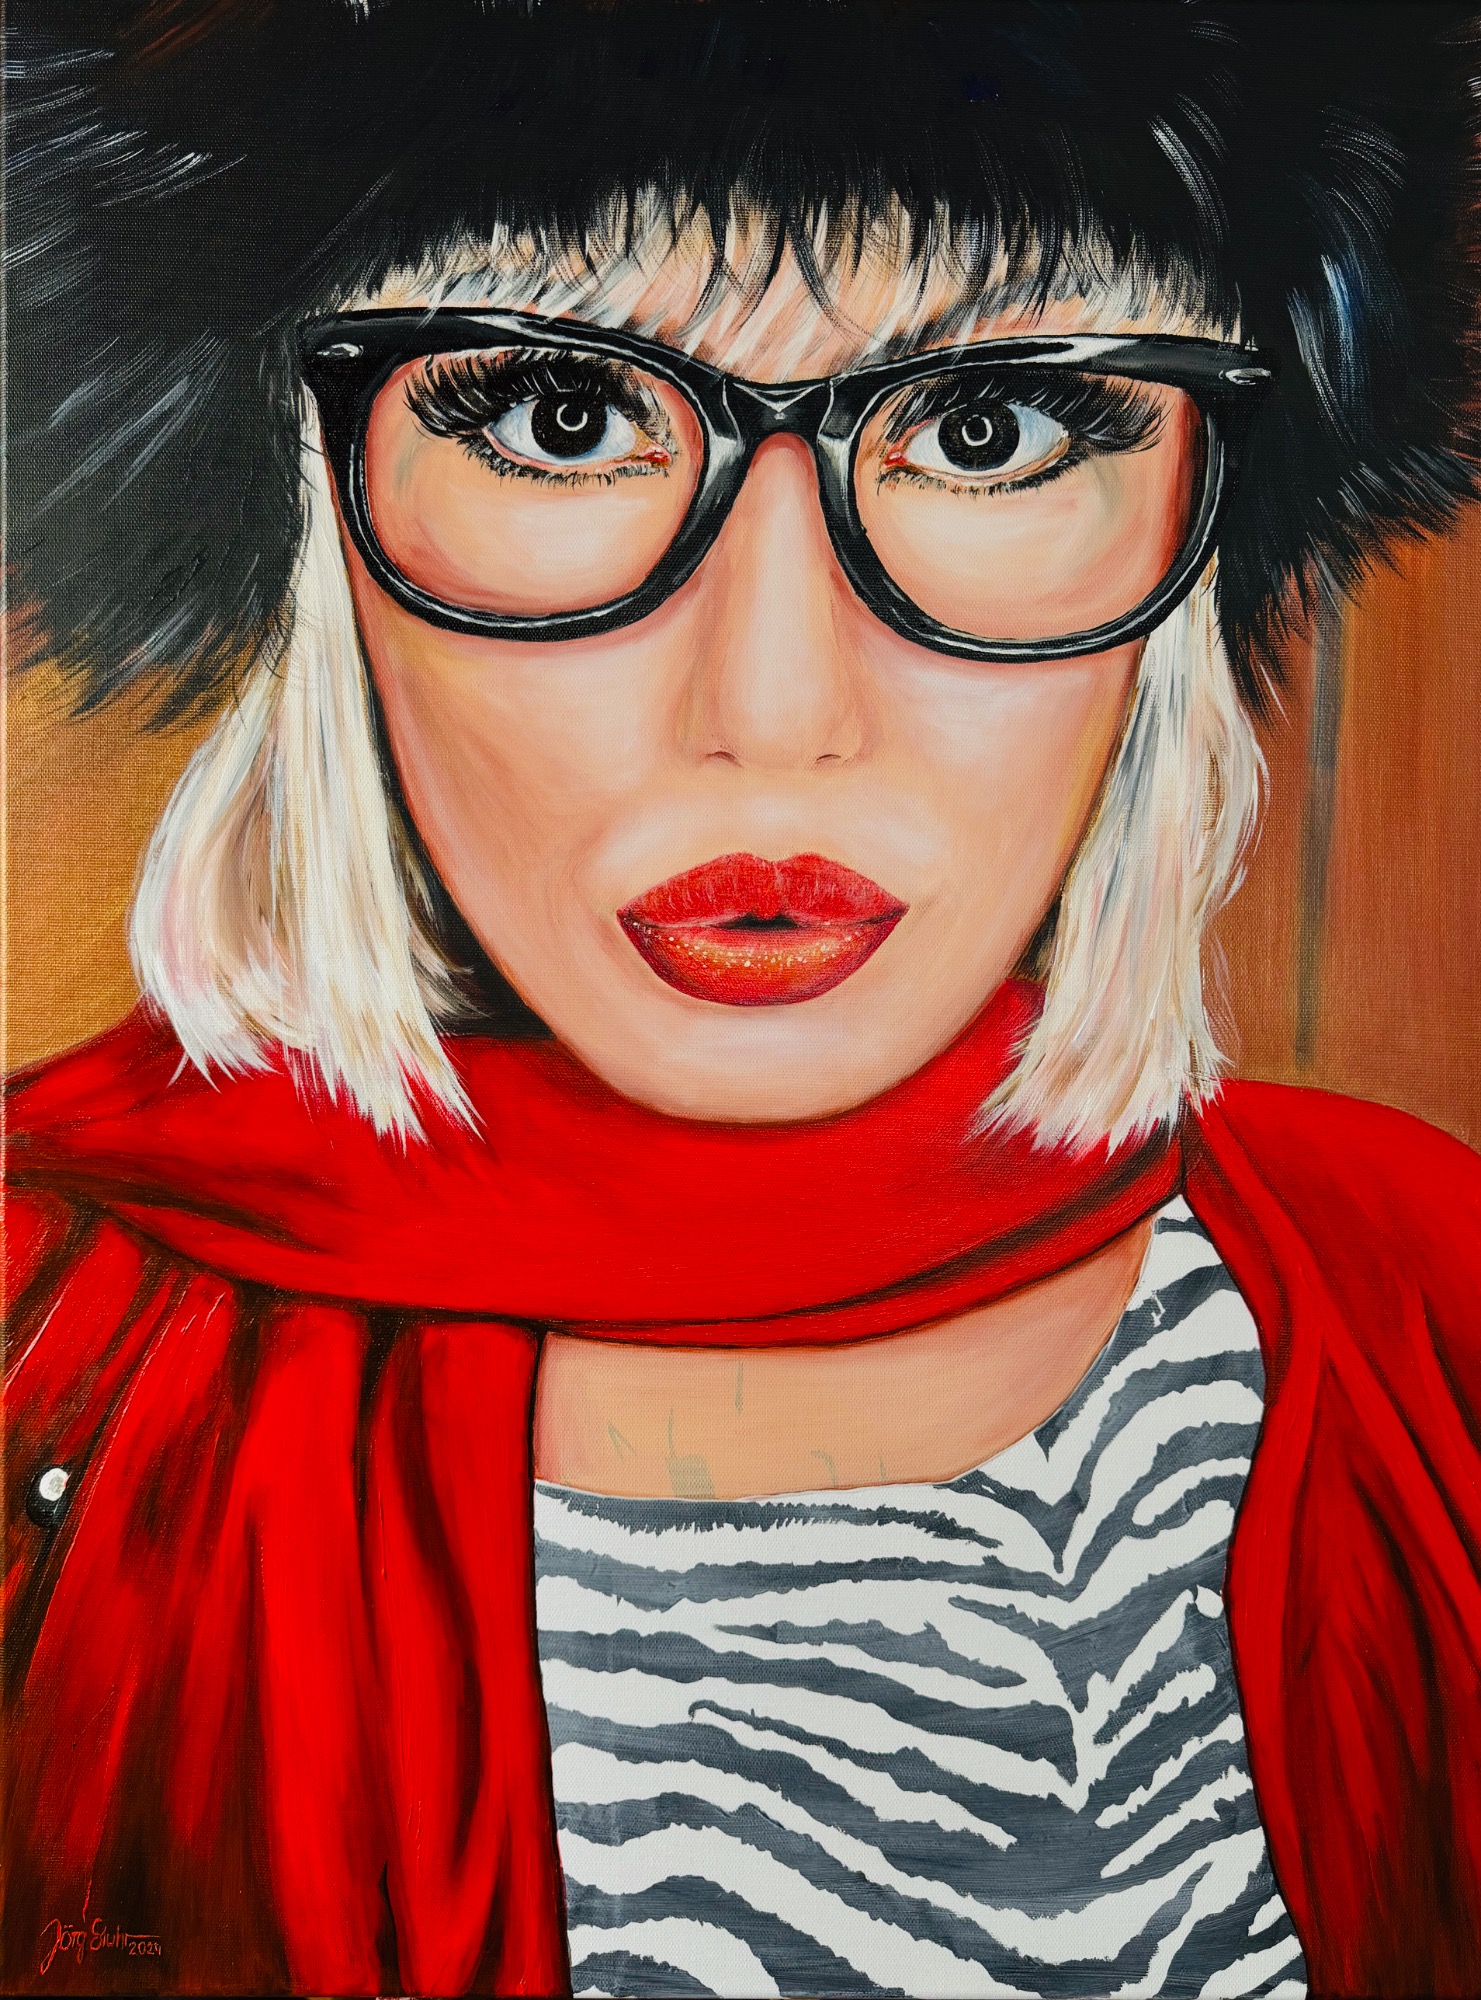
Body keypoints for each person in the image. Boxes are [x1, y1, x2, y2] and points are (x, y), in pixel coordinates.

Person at [5, 3, 1481, 1995]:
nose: (776, 713)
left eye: (989, 429)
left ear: (1206, 512)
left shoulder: (1428, 1300)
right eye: (557, 414)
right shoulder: (38, 1358)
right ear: (301, 508)